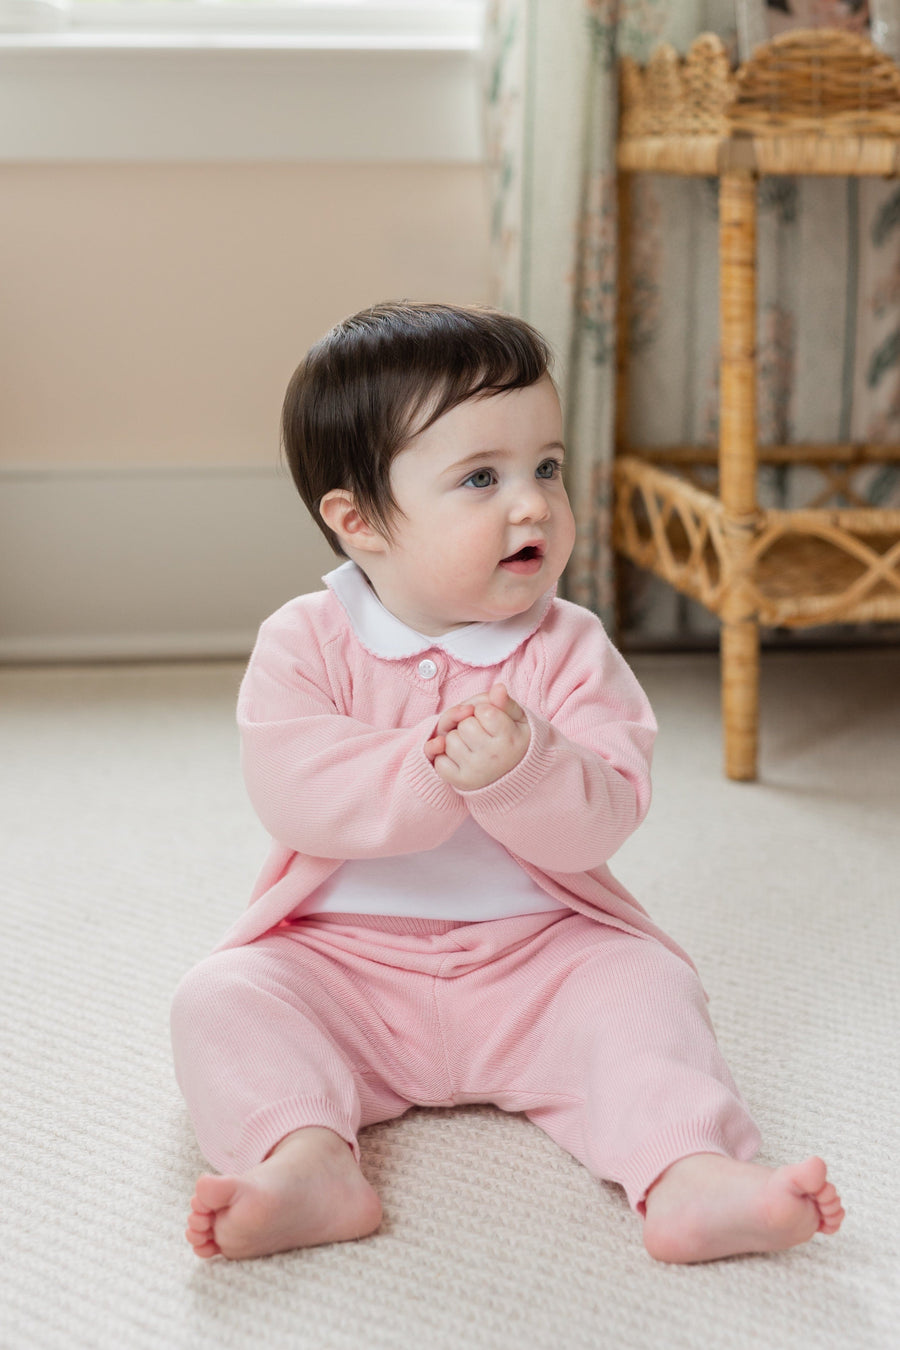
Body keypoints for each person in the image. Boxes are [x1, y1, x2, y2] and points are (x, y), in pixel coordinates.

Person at [171, 301, 844, 1264]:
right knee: (220, 997)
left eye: (547, 468)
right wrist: (434, 767)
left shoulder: (569, 647)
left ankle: (688, 1176)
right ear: (357, 520)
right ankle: (306, 1160)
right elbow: (295, 790)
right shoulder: (304, 642)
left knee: (645, 986)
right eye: (481, 477)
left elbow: (604, 813)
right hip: (347, 967)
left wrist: (526, 769)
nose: (531, 504)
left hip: (539, 960)